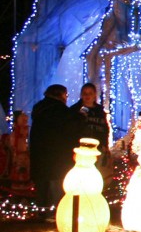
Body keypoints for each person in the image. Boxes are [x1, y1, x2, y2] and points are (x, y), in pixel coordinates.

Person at [29, 84, 76, 218]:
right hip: (57, 157)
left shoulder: (39, 108)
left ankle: (42, 213)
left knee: (42, 187)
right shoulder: (61, 111)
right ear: (61, 95)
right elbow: (68, 132)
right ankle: (56, 214)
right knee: (55, 187)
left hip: (39, 156)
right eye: (66, 95)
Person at [69, 83, 111, 176]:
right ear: (81, 95)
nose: (87, 96)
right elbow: (71, 128)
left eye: (90, 93)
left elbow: (105, 128)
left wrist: (105, 144)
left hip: (97, 147)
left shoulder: (100, 111)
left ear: (94, 95)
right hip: (81, 148)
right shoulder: (75, 110)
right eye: (85, 93)